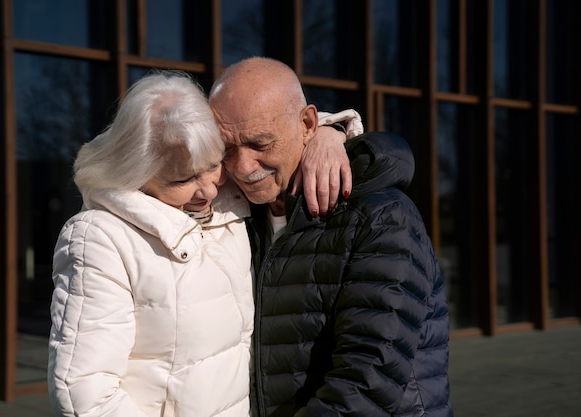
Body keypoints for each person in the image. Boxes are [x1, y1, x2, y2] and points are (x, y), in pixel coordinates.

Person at [47, 70, 360, 417]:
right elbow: (84, 394)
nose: (209, 189)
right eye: (183, 179)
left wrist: (327, 136)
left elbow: (276, 127)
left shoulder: (229, 196)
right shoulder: (101, 238)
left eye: (213, 164)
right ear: (137, 170)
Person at [209, 57, 453, 417]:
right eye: (226, 148)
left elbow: (368, 380)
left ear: (307, 124)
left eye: (261, 144)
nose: (243, 167)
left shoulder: (381, 217)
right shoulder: (236, 213)